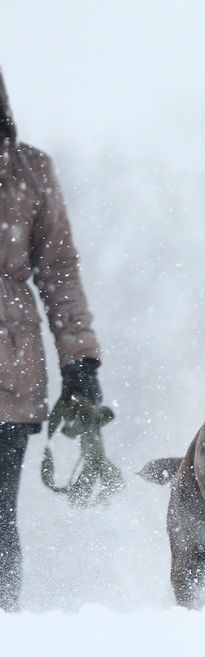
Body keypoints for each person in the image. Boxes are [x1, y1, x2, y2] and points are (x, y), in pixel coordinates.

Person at [0, 68, 103, 611]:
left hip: (9, 371)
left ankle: (6, 635)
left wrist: (80, 363)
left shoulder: (30, 173)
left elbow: (58, 269)